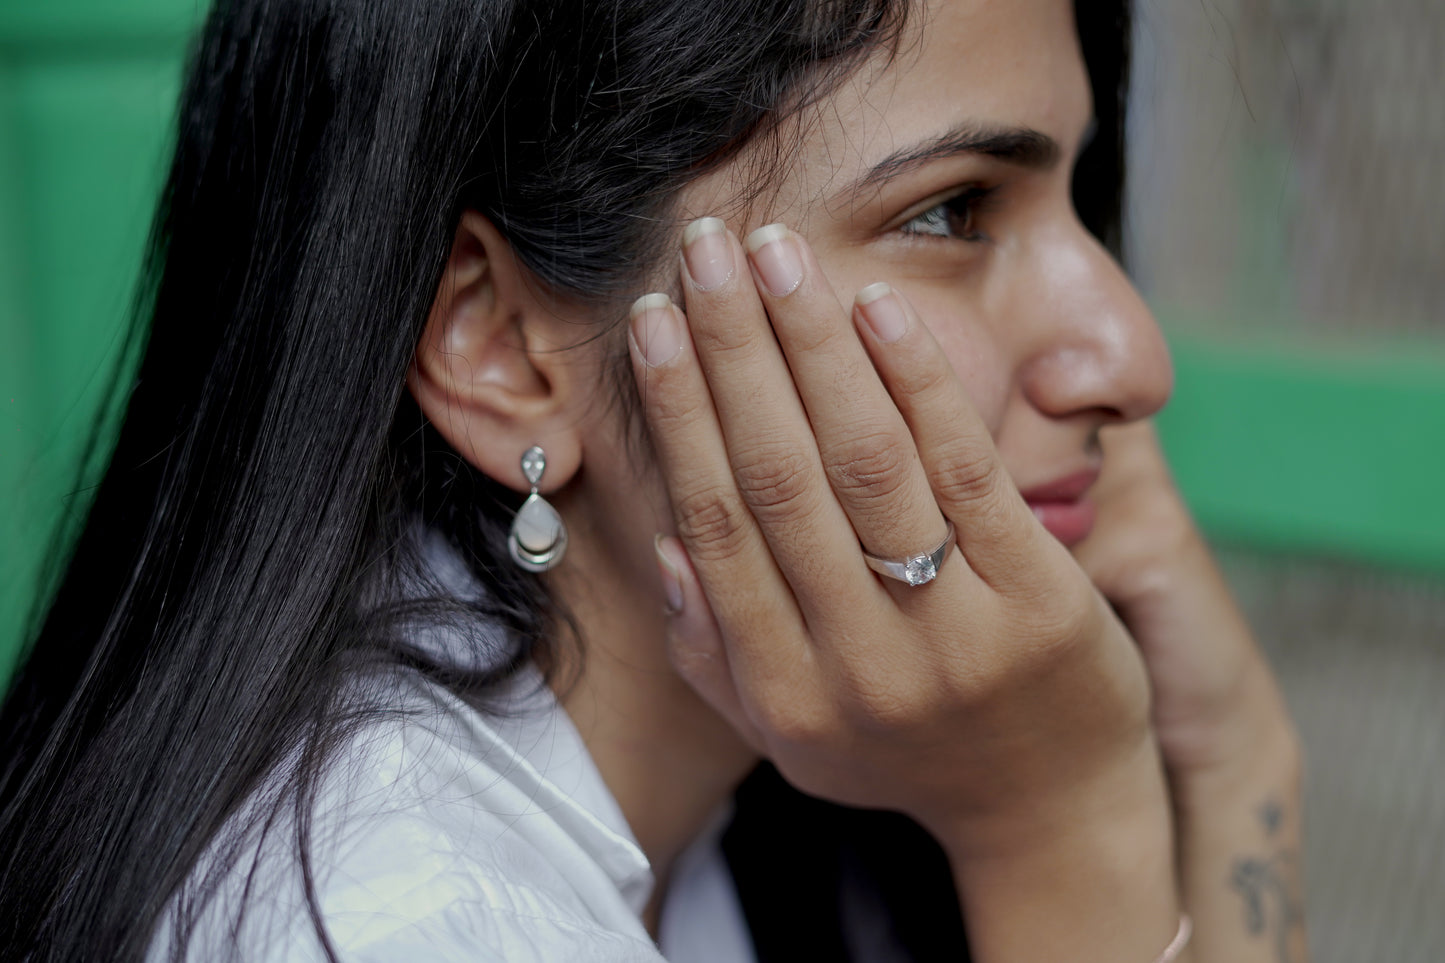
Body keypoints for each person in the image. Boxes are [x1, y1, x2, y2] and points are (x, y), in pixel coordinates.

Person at [0, 0, 1308, 960]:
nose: (1129, 358)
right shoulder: (396, 925)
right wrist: (1059, 829)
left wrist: (1233, 748)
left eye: (1080, 200)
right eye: (950, 212)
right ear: (503, 348)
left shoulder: (777, 809)